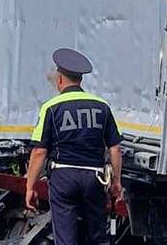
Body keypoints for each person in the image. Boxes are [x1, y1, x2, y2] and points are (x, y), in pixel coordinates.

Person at [25, 48, 123, 244]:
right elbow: (115, 148)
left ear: (60, 79)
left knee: (66, 239)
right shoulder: (102, 106)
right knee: (98, 237)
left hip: (64, 178)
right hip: (94, 178)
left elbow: (39, 152)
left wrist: (30, 187)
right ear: (81, 80)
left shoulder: (51, 107)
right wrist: (116, 183)